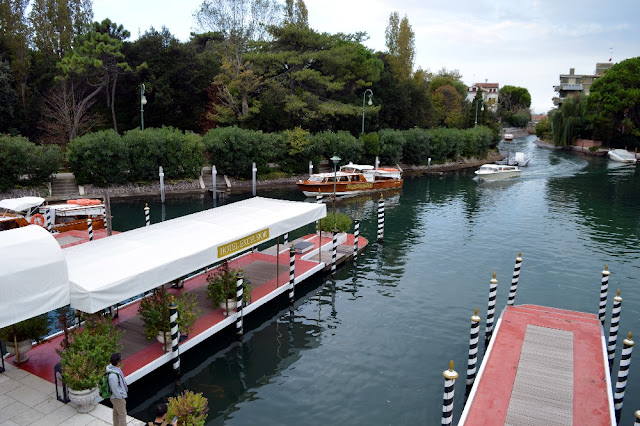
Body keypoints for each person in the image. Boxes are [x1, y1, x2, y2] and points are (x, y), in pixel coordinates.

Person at [107, 353, 128, 426]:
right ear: (118, 362)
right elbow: (114, 388)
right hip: (117, 398)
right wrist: (120, 397)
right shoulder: (113, 375)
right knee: (122, 415)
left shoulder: (115, 369)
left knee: (116, 412)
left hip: (115, 397)